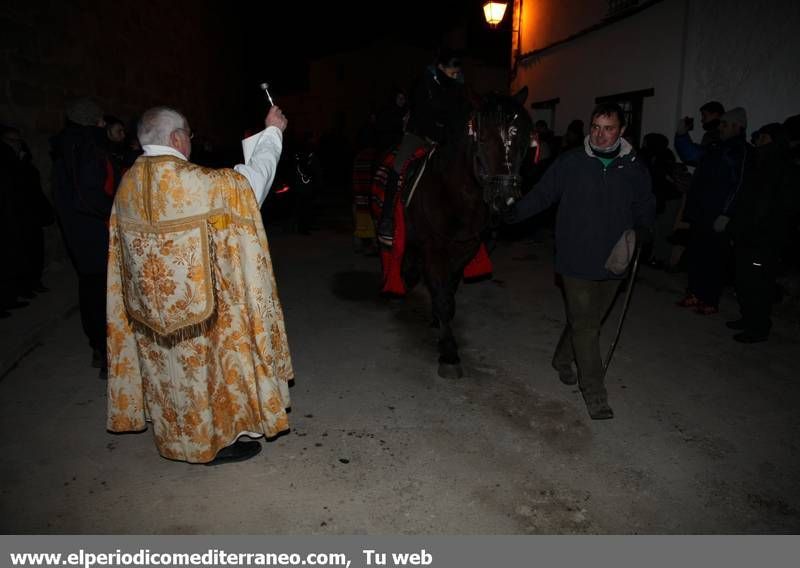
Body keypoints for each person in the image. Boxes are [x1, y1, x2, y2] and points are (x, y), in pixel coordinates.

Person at [106, 105, 293, 465]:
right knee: (200, 374)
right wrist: (272, 134)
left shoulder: (127, 183)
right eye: (189, 136)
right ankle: (209, 445)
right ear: (177, 138)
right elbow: (249, 186)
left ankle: (174, 437)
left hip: (148, 311)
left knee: (168, 375)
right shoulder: (193, 182)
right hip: (198, 310)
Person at [504, 103, 655, 420]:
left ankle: (562, 359)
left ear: (621, 131)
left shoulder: (633, 167)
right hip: (575, 258)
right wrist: (514, 212)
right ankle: (595, 393)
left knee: (588, 319)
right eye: (596, 127)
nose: (600, 135)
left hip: (615, 259)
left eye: (609, 128)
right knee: (587, 326)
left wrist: (642, 231)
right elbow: (543, 194)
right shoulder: (571, 162)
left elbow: (646, 205)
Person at [376, 48, 468, 245]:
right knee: (398, 166)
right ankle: (387, 217)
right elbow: (422, 113)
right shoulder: (423, 83)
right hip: (419, 133)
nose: (455, 77)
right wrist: (434, 136)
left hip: (445, 137)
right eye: (451, 73)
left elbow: (458, 114)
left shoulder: (458, 86)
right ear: (441, 67)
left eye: (457, 74)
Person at [51, 97, 115, 377]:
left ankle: (99, 347)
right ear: (92, 121)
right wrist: (115, 212)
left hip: (77, 230)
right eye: (100, 120)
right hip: (94, 229)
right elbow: (89, 194)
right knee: (102, 291)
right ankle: (106, 351)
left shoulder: (65, 145)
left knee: (90, 286)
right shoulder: (86, 145)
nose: (104, 124)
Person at [725, 123, 797, 343]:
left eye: (763, 137)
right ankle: (748, 318)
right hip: (748, 235)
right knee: (744, 280)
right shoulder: (761, 164)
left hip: (763, 239)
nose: (758, 141)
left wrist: (757, 231)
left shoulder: (783, 168)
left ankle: (758, 327)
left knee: (758, 284)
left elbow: (774, 208)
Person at [675, 107, 750, 314]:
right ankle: (694, 294)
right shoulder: (717, 146)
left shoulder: (740, 151)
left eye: (725, 124)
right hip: (702, 212)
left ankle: (709, 299)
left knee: (714, 259)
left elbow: (739, 184)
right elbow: (692, 154)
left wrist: (727, 213)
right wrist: (682, 135)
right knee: (697, 255)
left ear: (737, 126)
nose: (721, 127)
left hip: (718, 215)